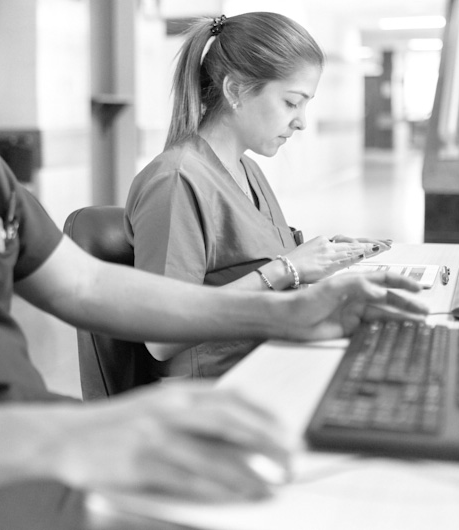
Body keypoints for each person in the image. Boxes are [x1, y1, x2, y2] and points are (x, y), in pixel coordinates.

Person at [0, 154, 427, 501]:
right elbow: (159, 344)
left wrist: (288, 313)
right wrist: (78, 432)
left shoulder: (3, 185)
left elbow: (83, 283)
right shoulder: (177, 177)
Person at [124, 12, 393, 378]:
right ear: (235, 91)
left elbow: (264, 262)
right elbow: (160, 337)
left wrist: (318, 260)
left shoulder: (246, 169)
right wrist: (286, 269)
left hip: (269, 358)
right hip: (216, 391)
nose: (302, 122)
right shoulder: (176, 181)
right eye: (291, 102)